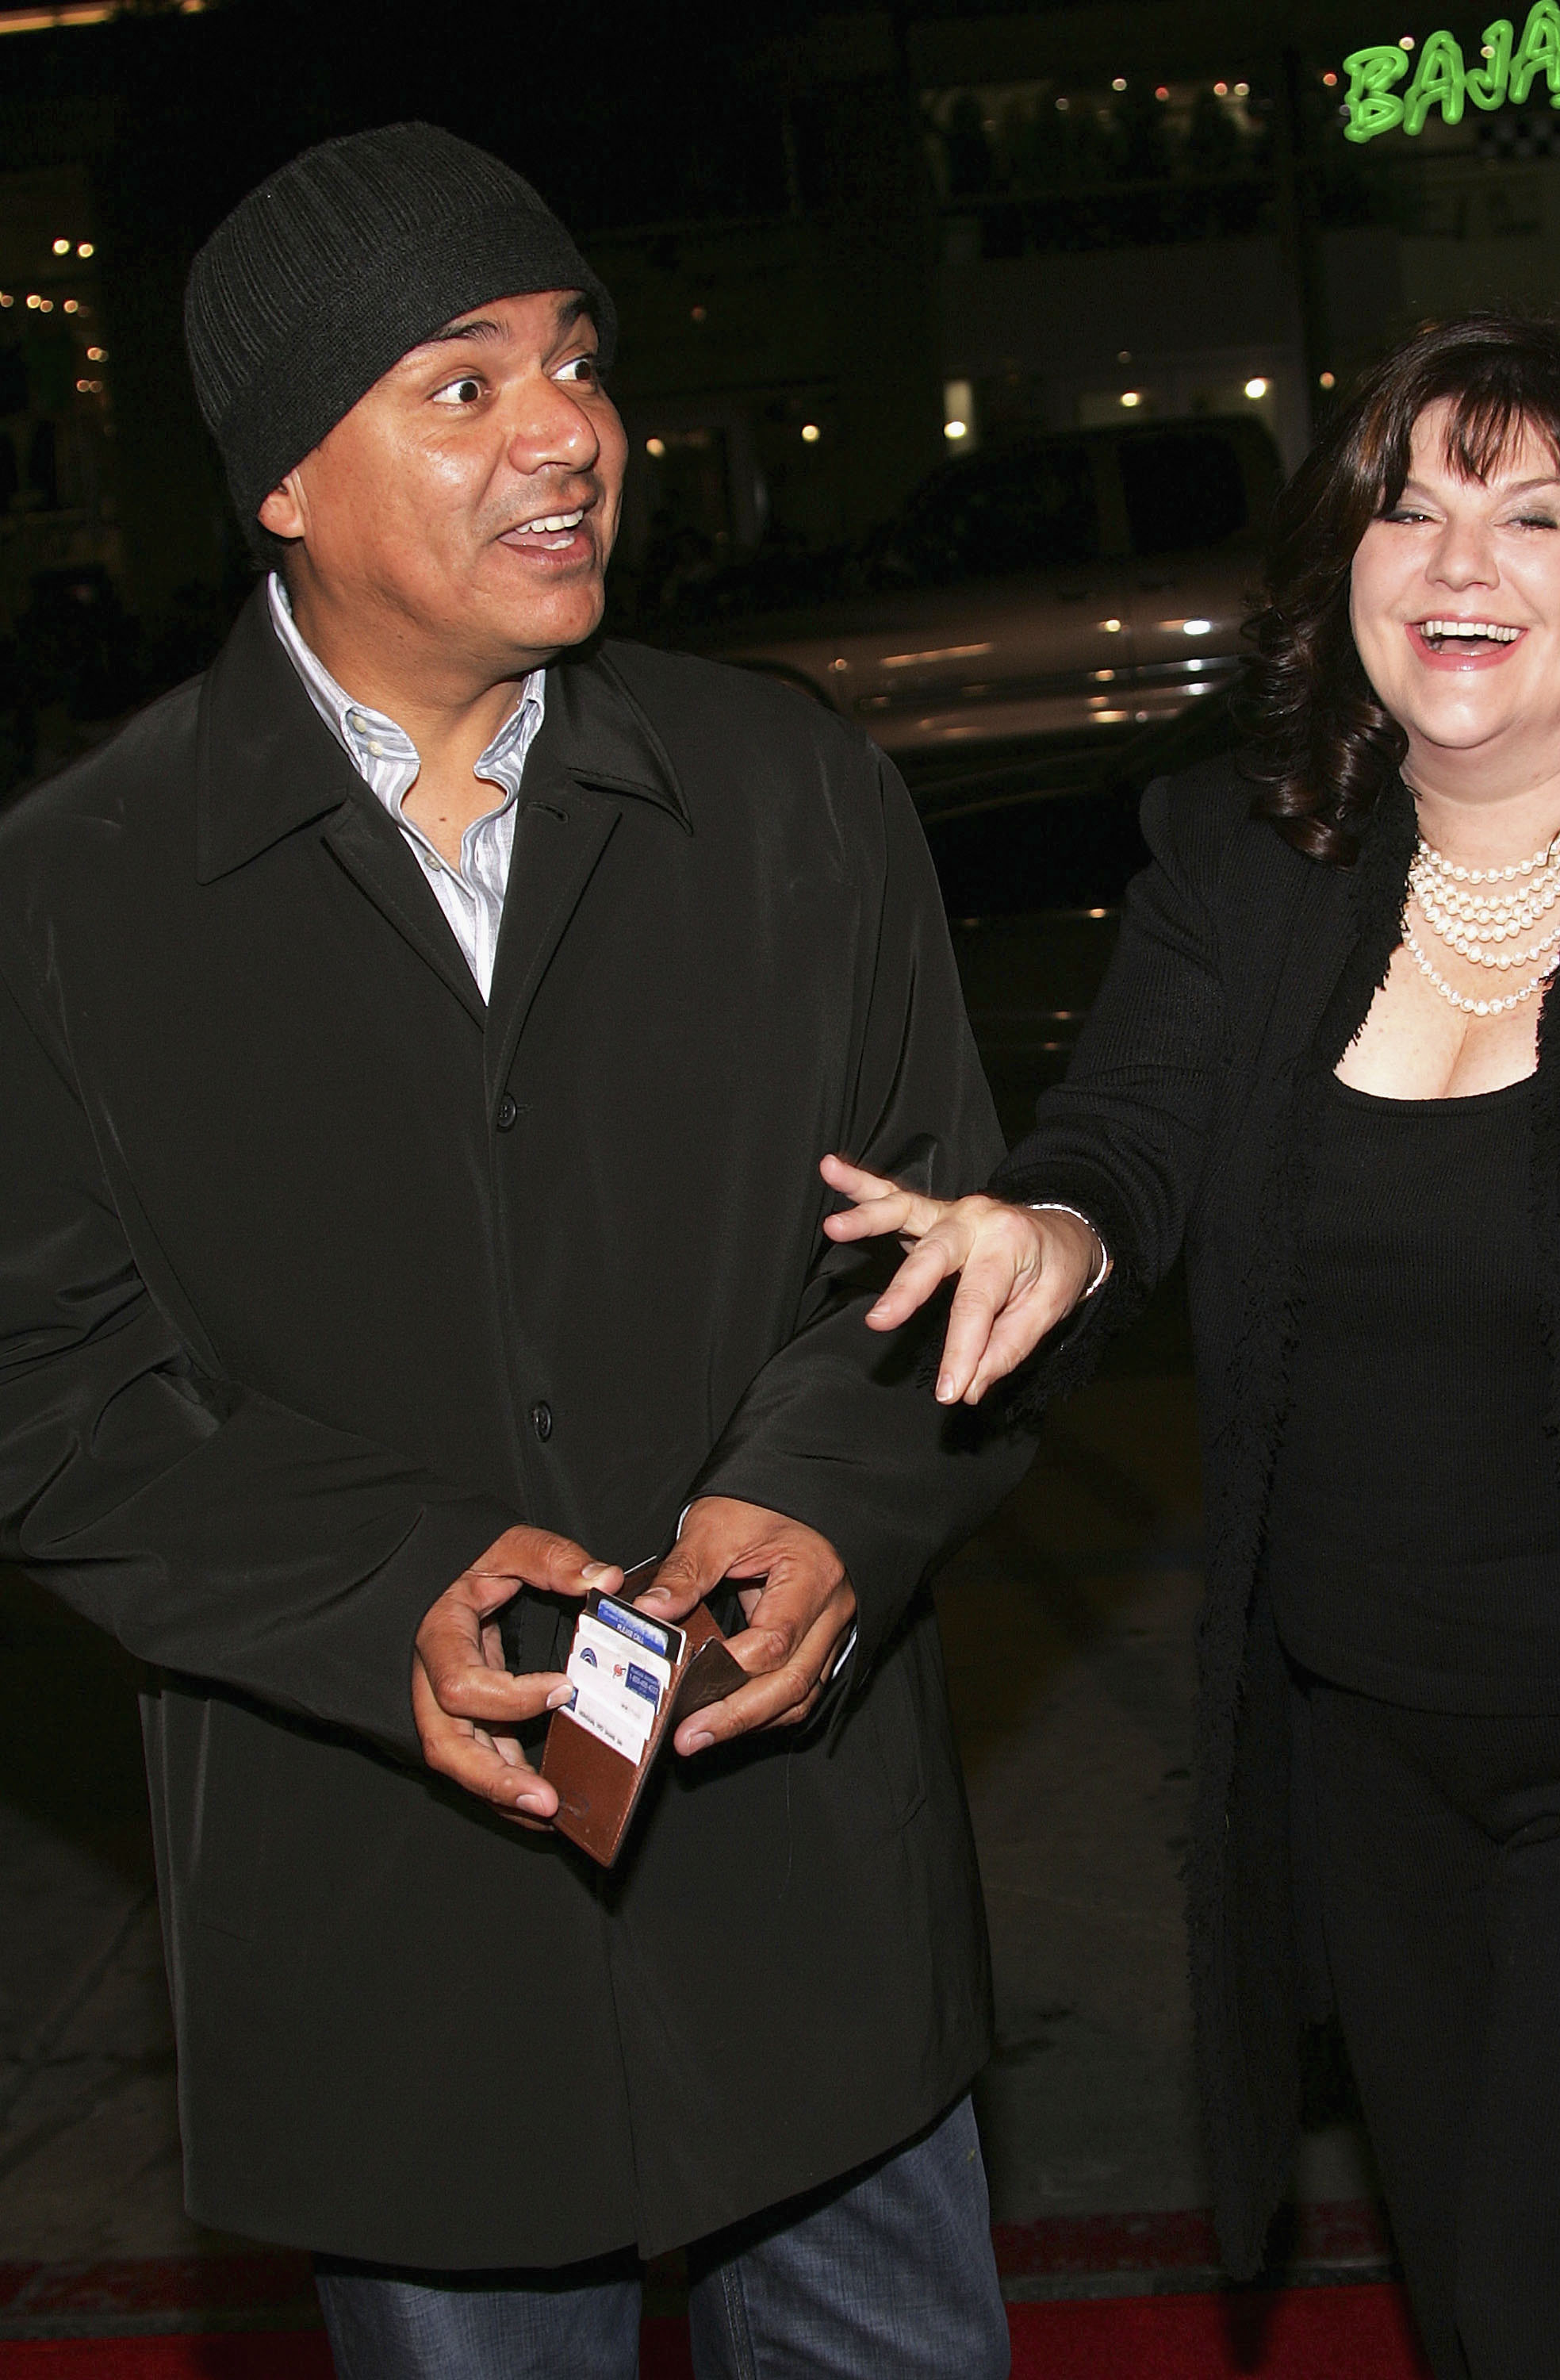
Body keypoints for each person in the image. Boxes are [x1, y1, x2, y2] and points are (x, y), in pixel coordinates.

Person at [822, 313, 1560, 2380]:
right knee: (1482, 2307)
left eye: (1529, 513)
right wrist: (1046, 1222)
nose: (1455, 560)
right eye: (1408, 508)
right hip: (1371, 1775)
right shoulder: (1249, 859)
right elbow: (1128, 1129)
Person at [0, 124, 1030, 2380]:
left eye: (573, 361)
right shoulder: (76, 896)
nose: (564, 430)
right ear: (281, 474)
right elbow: (54, 1400)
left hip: (806, 1890)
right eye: (457, 384)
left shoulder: (787, 795)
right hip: (394, 1937)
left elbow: (934, 1250)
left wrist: (830, 1502)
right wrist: (395, 1593)